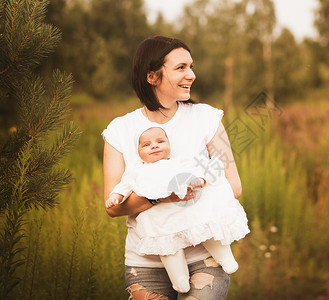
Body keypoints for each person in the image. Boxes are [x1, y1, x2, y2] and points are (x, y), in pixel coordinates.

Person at [102, 35, 246, 300]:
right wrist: (161, 195)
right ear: (152, 77)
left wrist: (194, 182)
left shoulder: (206, 118)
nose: (191, 75)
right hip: (145, 262)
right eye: (180, 68)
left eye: (191, 66)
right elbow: (112, 207)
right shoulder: (120, 130)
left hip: (205, 256)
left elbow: (233, 185)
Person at [105, 125, 249, 293]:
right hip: (160, 220)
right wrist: (116, 196)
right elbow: (124, 186)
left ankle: (224, 256)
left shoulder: (178, 161)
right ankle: (179, 279)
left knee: (204, 229)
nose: (154, 146)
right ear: (138, 152)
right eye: (147, 145)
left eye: (160, 141)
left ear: (169, 146)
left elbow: (201, 168)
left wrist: (200, 179)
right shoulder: (137, 171)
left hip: (186, 214)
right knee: (168, 248)